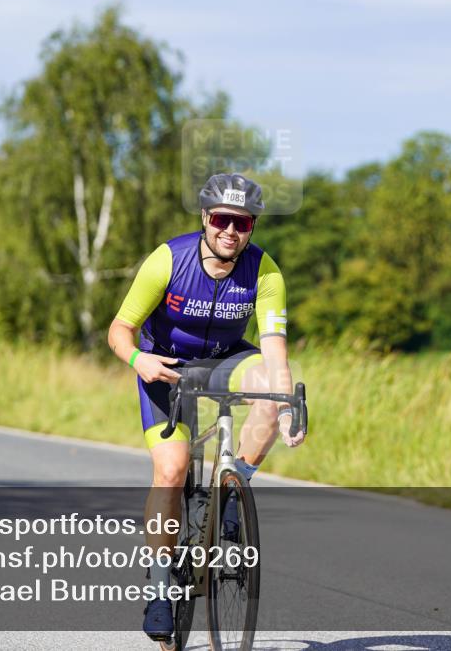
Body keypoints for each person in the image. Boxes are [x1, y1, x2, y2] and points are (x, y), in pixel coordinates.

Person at [106, 173, 305, 643]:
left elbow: (274, 348)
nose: (230, 231)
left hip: (226, 358)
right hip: (166, 365)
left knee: (271, 389)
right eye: (221, 219)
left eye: (243, 223)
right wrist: (140, 361)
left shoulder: (265, 271)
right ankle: (160, 586)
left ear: (252, 227)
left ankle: (234, 494)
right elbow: (119, 331)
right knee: (172, 471)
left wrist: (285, 409)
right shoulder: (167, 260)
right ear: (204, 218)